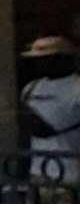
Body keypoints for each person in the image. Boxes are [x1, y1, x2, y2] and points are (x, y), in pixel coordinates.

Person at [25, 35, 80, 184]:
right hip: (38, 171)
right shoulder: (31, 88)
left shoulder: (76, 88)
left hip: (70, 173)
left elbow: (44, 129)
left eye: (45, 58)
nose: (38, 63)